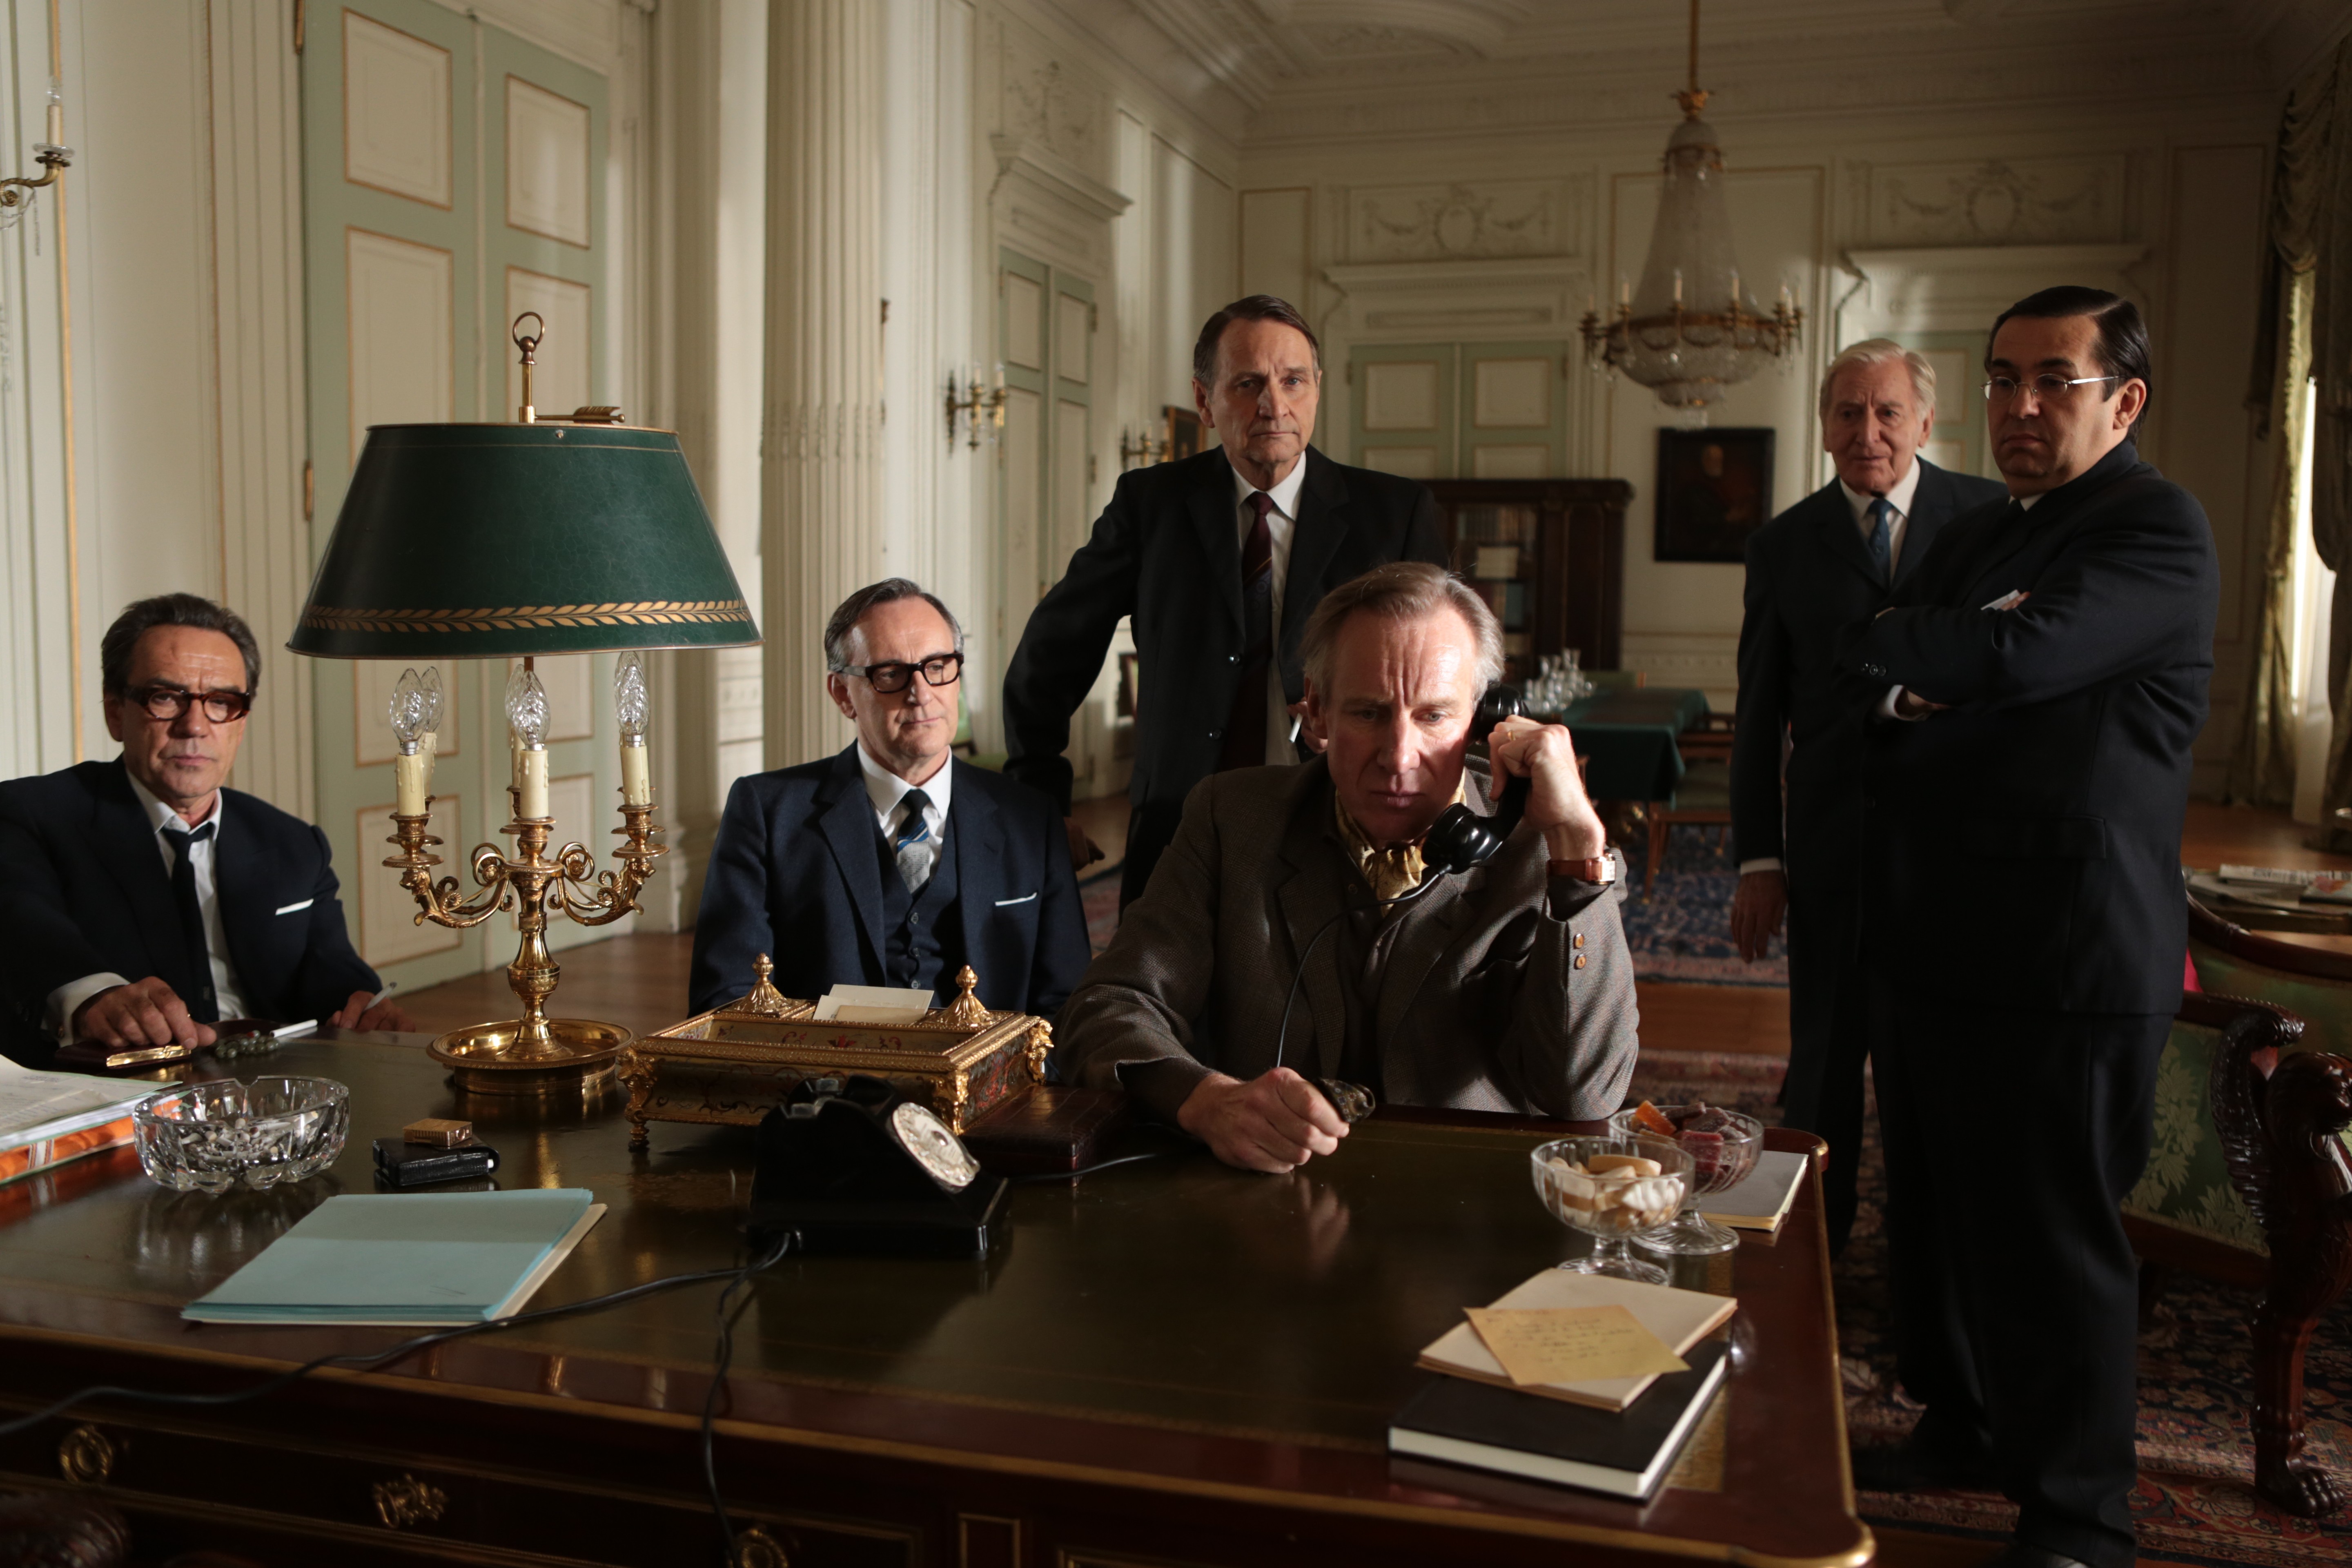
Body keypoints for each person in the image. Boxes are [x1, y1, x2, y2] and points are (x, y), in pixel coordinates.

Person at [1837, 287, 2217, 1568]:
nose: (2021, 405)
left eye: (2057, 380)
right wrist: (1934, 658)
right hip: (1935, 933)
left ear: (2126, 400)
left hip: (2068, 950)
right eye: (2004, 378)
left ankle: (2078, 1516)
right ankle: (1963, 1426)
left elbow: (2010, 662)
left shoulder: (2155, 527)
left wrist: (1953, 654)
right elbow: (1870, 662)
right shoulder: (1981, 534)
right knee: (1938, 1216)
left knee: (2056, 1244)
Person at [1056, 562, 1638, 1173]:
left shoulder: (1543, 850)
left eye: (1434, 716)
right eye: (1369, 713)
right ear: (1316, 711)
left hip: (1463, 1200)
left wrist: (1577, 849)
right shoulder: (1232, 819)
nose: (1399, 757)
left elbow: (1583, 1095)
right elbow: (1107, 1007)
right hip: (1268, 1198)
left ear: (1486, 722)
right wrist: (1205, 1100)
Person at [1001, 294, 1448, 907]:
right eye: (1248, 384)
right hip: (1179, 826)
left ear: (1318, 389)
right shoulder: (1150, 507)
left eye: (1293, 381)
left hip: (1345, 824)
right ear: (1205, 400)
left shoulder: (1394, 516)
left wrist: (1366, 721)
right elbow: (1051, 656)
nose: (1274, 405)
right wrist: (1039, 798)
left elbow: (1443, 675)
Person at [1729, 339, 2005, 1253]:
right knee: (1824, 1059)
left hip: (1959, 839)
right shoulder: (1782, 545)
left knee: (1943, 1059)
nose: (1868, 432)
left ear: (1926, 422)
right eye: (1848, 412)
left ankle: (1933, 1255)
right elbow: (1759, 715)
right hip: (1832, 839)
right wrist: (1760, 859)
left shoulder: (1991, 517)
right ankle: (1815, 1245)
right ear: (1824, 427)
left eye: (1887, 413)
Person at [0, 594, 413, 1066]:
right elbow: (25, 928)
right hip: (119, 1088)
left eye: (221, 702)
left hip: (272, 1085)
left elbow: (330, 971)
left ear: (241, 722)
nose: (194, 726)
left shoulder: (293, 843)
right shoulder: (32, 815)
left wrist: (363, 1005)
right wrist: (93, 996)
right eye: (165, 698)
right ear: (116, 712)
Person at [690, 579, 1090, 1019]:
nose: (921, 693)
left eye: (937, 666)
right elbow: (726, 998)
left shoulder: (1032, 819)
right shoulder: (767, 814)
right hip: (824, 1064)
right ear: (843, 695)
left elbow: (1067, 1003)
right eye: (890, 674)